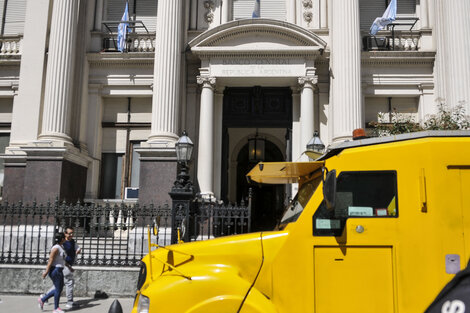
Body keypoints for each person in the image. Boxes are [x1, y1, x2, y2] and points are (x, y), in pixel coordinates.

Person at [41, 226, 81, 309]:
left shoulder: (71, 242)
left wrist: (78, 250)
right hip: (60, 267)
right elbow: (51, 259)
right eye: (69, 233)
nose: (71, 235)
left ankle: (45, 297)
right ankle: (69, 302)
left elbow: (77, 247)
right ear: (64, 234)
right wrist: (46, 271)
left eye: (72, 233)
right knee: (68, 282)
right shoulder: (60, 245)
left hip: (65, 265)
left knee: (58, 285)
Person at [38, 232, 67, 313]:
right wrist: (46, 271)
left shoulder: (60, 247)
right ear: (62, 239)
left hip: (59, 270)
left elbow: (61, 259)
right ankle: (56, 308)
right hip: (55, 270)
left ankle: (42, 299)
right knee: (58, 289)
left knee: (59, 289)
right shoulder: (56, 248)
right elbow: (50, 260)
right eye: (64, 237)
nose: (65, 239)